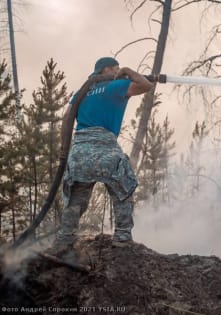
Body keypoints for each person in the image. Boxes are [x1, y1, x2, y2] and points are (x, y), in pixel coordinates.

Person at [55, 57, 153, 249]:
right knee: (123, 189)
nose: (118, 71)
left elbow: (67, 119)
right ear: (107, 69)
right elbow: (146, 84)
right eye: (116, 68)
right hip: (106, 149)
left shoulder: (82, 92)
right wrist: (127, 70)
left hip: (79, 151)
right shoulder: (115, 86)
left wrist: (65, 153)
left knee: (76, 199)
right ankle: (123, 236)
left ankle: (64, 240)